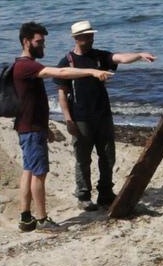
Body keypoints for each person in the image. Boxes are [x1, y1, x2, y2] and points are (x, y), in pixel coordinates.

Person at [11, 21, 114, 232]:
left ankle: (26, 218)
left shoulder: (24, 65)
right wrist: (92, 72)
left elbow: (31, 102)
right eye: (39, 42)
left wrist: (44, 126)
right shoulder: (27, 66)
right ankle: (41, 219)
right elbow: (62, 73)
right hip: (31, 130)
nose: (43, 46)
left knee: (29, 171)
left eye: (43, 41)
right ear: (26, 41)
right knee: (39, 173)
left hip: (31, 127)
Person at [55, 19, 157, 211]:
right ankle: (84, 195)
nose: (91, 38)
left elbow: (119, 58)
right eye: (87, 36)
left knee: (108, 156)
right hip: (80, 117)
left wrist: (139, 55)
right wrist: (68, 119)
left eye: (92, 35)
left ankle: (105, 193)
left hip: (103, 114)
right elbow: (61, 93)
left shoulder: (99, 57)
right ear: (77, 38)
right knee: (83, 158)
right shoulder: (66, 62)